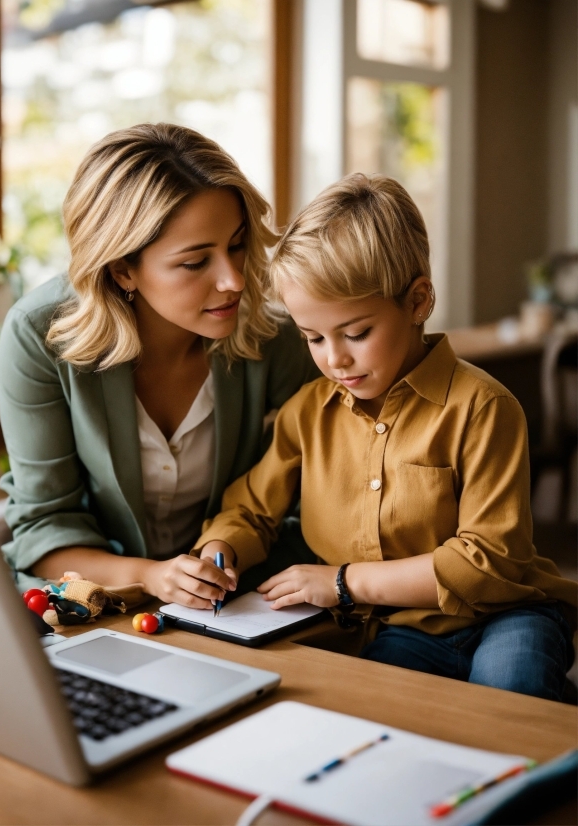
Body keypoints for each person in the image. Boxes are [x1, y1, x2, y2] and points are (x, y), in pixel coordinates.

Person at [193, 173, 577, 701]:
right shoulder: (308, 413)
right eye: (313, 338)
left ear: (418, 301)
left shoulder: (484, 407)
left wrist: (343, 583)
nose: (335, 358)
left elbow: (489, 562)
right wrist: (219, 550)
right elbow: (253, 510)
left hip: (508, 612)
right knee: (374, 707)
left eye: (356, 333)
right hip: (404, 628)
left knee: (509, 694)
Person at [0, 123, 316, 607]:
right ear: (123, 268)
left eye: (236, 245)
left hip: (240, 602)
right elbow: (45, 526)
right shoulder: (38, 335)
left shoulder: (277, 338)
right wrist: (152, 577)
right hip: (93, 603)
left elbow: (322, 488)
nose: (233, 280)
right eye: (195, 262)